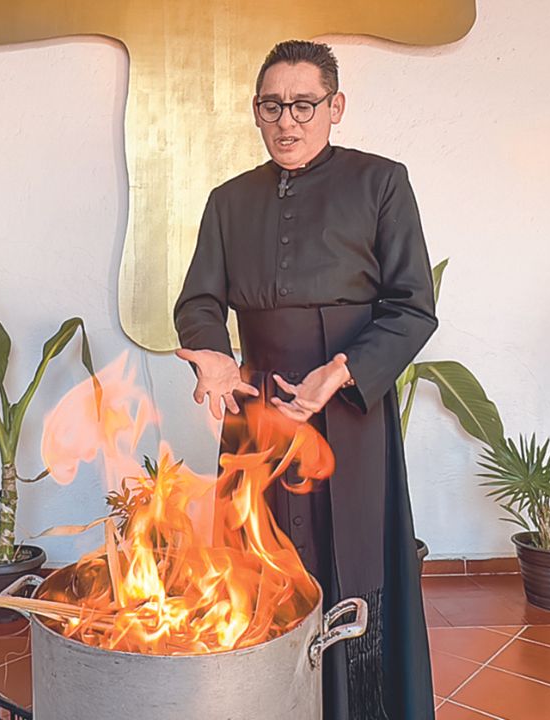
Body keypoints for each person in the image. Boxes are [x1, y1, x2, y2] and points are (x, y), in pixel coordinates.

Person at [173, 39, 438, 720]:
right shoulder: (228, 201)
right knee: (258, 572)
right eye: (272, 106)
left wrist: (343, 372)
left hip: (349, 409)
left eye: (304, 104)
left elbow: (413, 305)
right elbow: (199, 301)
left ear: (335, 106)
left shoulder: (382, 182)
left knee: (353, 568)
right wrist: (213, 355)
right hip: (255, 411)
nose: (287, 121)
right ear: (255, 112)